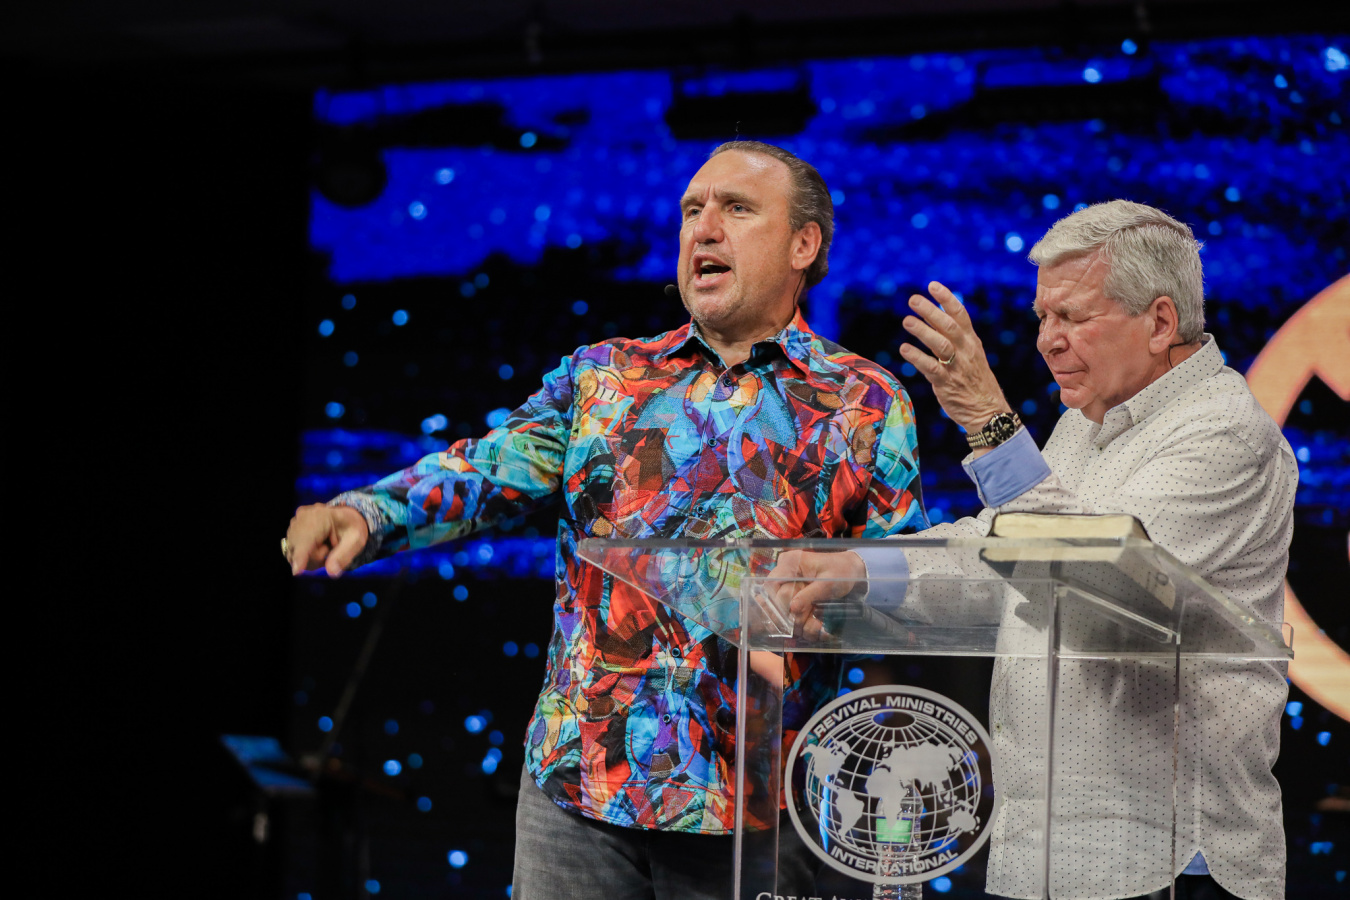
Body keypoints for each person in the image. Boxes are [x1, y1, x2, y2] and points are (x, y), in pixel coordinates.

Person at [282, 140, 929, 899]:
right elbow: (486, 468)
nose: (703, 228)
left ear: (803, 245)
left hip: (751, 804)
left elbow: (908, 573)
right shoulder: (605, 376)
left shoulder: (865, 402)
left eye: (737, 209)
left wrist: (858, 577)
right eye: (692, 210)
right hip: (579, 792)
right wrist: (367, 512)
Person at [776, 201, 1296, 900]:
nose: (1048, 341)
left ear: (1160, 323)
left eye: (1072, 317)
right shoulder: (1084, 424)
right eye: (1043, 317)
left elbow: (1098, 587)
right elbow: (1005, 555)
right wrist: (861, 570)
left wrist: (989, 425)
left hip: (1167, 865)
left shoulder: (1224, 432)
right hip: (1045, 855)